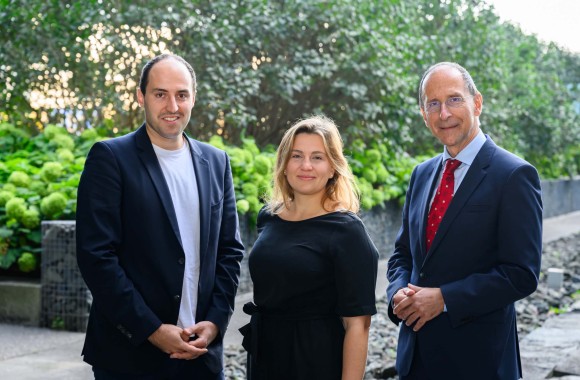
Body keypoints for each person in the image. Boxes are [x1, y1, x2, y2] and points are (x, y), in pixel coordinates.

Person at [76, 54, 245, 379]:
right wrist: (152, 329)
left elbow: (230, 252)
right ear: (141, 96)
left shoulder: (217, 162)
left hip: (202, 355)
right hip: (130, 357)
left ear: (193, 98)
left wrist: (215, 322)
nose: (173, 105)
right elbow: (96, 257)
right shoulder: (110, 158)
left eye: (181, 94)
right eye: (160, 94)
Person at [386, 61, 543, 380]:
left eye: (454, 99)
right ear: (423, 114)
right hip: (415, 360)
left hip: (479, 363)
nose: (444, 113)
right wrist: (397, 293)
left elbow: (521, 274)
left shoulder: (514, 175)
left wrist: (444, 299)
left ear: (478, 102)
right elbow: (403, 254)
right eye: (433, 104)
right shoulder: (422, 174)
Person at [239, 116, 379, 380]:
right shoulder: (268, 217)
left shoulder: (347, 230)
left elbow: (357, 325)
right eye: (296, 156)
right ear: (284, 164)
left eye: (317, 157)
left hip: (315, 361)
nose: (305, 166)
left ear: (333, 168)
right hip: (265, 357)